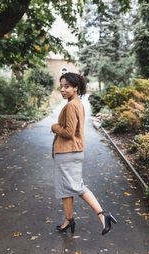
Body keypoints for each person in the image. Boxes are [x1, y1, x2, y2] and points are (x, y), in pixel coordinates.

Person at [51, 72, 117, 235]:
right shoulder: (77, 103)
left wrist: (54, 127)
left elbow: (68, 132)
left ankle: (103, 214)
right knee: (65, 188)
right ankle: (68, 220)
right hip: (70, 151)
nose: (63, 89)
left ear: (75, 87)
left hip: (68, 151)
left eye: (67, 86)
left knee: (75, 186)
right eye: (61, 86)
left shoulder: (72, 105)